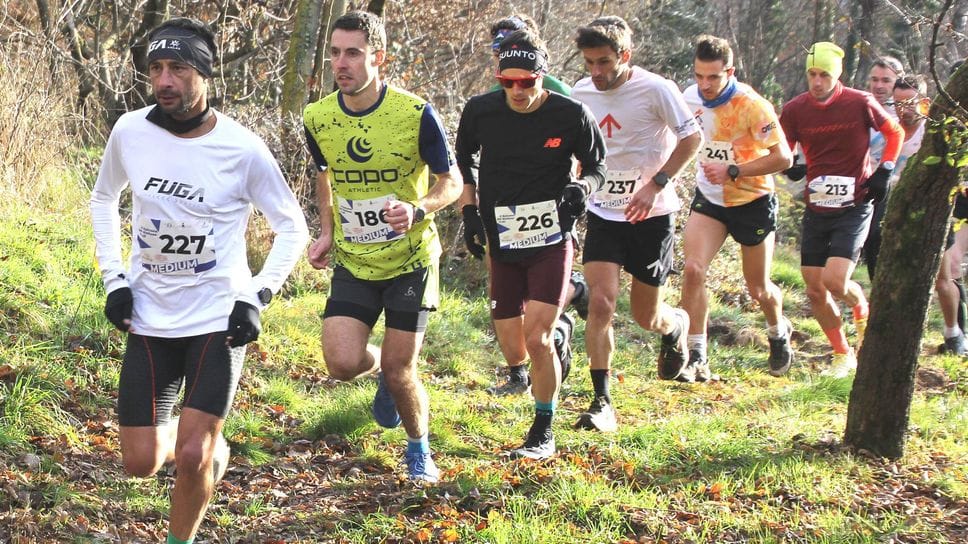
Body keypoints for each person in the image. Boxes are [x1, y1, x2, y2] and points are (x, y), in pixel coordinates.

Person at [90, 18, 309, 544]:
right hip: (149, 312)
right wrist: (113, 279)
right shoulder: (129, 132)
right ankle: (210, 449)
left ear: (205, 74)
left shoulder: (243, 148)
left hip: (218, 316)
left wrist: (257, 294)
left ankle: (180, 530)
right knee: (140, 463)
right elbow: (103, 199)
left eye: (179, 68)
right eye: (156, 69)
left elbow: (292, 226)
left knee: (191, 455)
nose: (165, 80)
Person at [303, 11, 462, 483]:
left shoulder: (415, 113)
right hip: (355, 259)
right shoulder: (318, 116)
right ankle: (387, 378)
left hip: (411, 259)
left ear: (379, 57)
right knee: (341, 363)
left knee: (401, 368)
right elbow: (324, 175)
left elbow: (451, 182)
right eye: (335, 52)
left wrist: (419, 208)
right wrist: (328, 231)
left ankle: (419, 450)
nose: (341, 63)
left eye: (353, 52)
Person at [456, 28, 606, 457]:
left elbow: (598, 165)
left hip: (551, 236)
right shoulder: (480, 111)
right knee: (513, 344)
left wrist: (583, 189)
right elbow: (463, 161)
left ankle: (543, 430)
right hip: (503, 234)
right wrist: (469, 212)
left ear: (544, 75)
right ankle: (560, 331)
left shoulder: (570, 113)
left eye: (527, 82)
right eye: (508, 83)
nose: (518, 91)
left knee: (535, 338)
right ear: (498, 78)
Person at [570, 16, 702, 431]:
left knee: (647, 316)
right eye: (589, 62)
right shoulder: (581, 92)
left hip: (652, 214)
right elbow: (580, 146)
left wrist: (657, 183)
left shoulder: (656, 89)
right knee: (602, 303)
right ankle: (601, 402)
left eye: (604, 62)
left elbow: (692, 137)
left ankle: (675, 324)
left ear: (624, 56)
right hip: (604, 211)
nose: (597, 72)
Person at [778, 42, 902, 378]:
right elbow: (783, 147)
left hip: (855, 203)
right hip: (817, 205)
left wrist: (886, 169)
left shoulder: (859, 102)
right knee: (814, 288)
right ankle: (842, 353)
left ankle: (860, 306)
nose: (817, 82)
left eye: (824, 75)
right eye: (812, 74)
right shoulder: (794, 109)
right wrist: (790, 165)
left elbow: (895, 132)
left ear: (838, 75)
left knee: (835, 281)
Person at [483, 13, 589, 398]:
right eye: (497, 49)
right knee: (509, 298)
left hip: (551, 207)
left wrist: (573, 189)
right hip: (506, 214)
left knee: (536, 307)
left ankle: (562, 309)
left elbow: (576, 148)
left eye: (510, 42)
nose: (516, 86)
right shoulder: (498, 95)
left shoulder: (554, 90)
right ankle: (527, 358)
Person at [680, 35, 794, 380]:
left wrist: (735, 170)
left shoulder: (752, 105)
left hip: (752, 200)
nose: (705, 85)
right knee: (693, 270)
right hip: (711, 200)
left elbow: (784, 158)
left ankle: (778, 331)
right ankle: (696, 353)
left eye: (713, 77)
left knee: (758, 289)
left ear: (729, 71)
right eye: (699, 76)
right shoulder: (687, 98)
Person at [862, 56, 905, 278]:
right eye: (875, 79)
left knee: (879, 236)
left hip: (898, 184)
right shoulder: (861, 106)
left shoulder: (905, 111)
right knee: (871, 239)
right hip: (867, 184)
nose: (879, 86)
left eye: (886, 81)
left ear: (897, 82)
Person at [488, 14, 572, 96]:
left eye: (511, 54)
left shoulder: (563, 93)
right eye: (497, 55)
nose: (502, 62)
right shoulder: (491, 96)